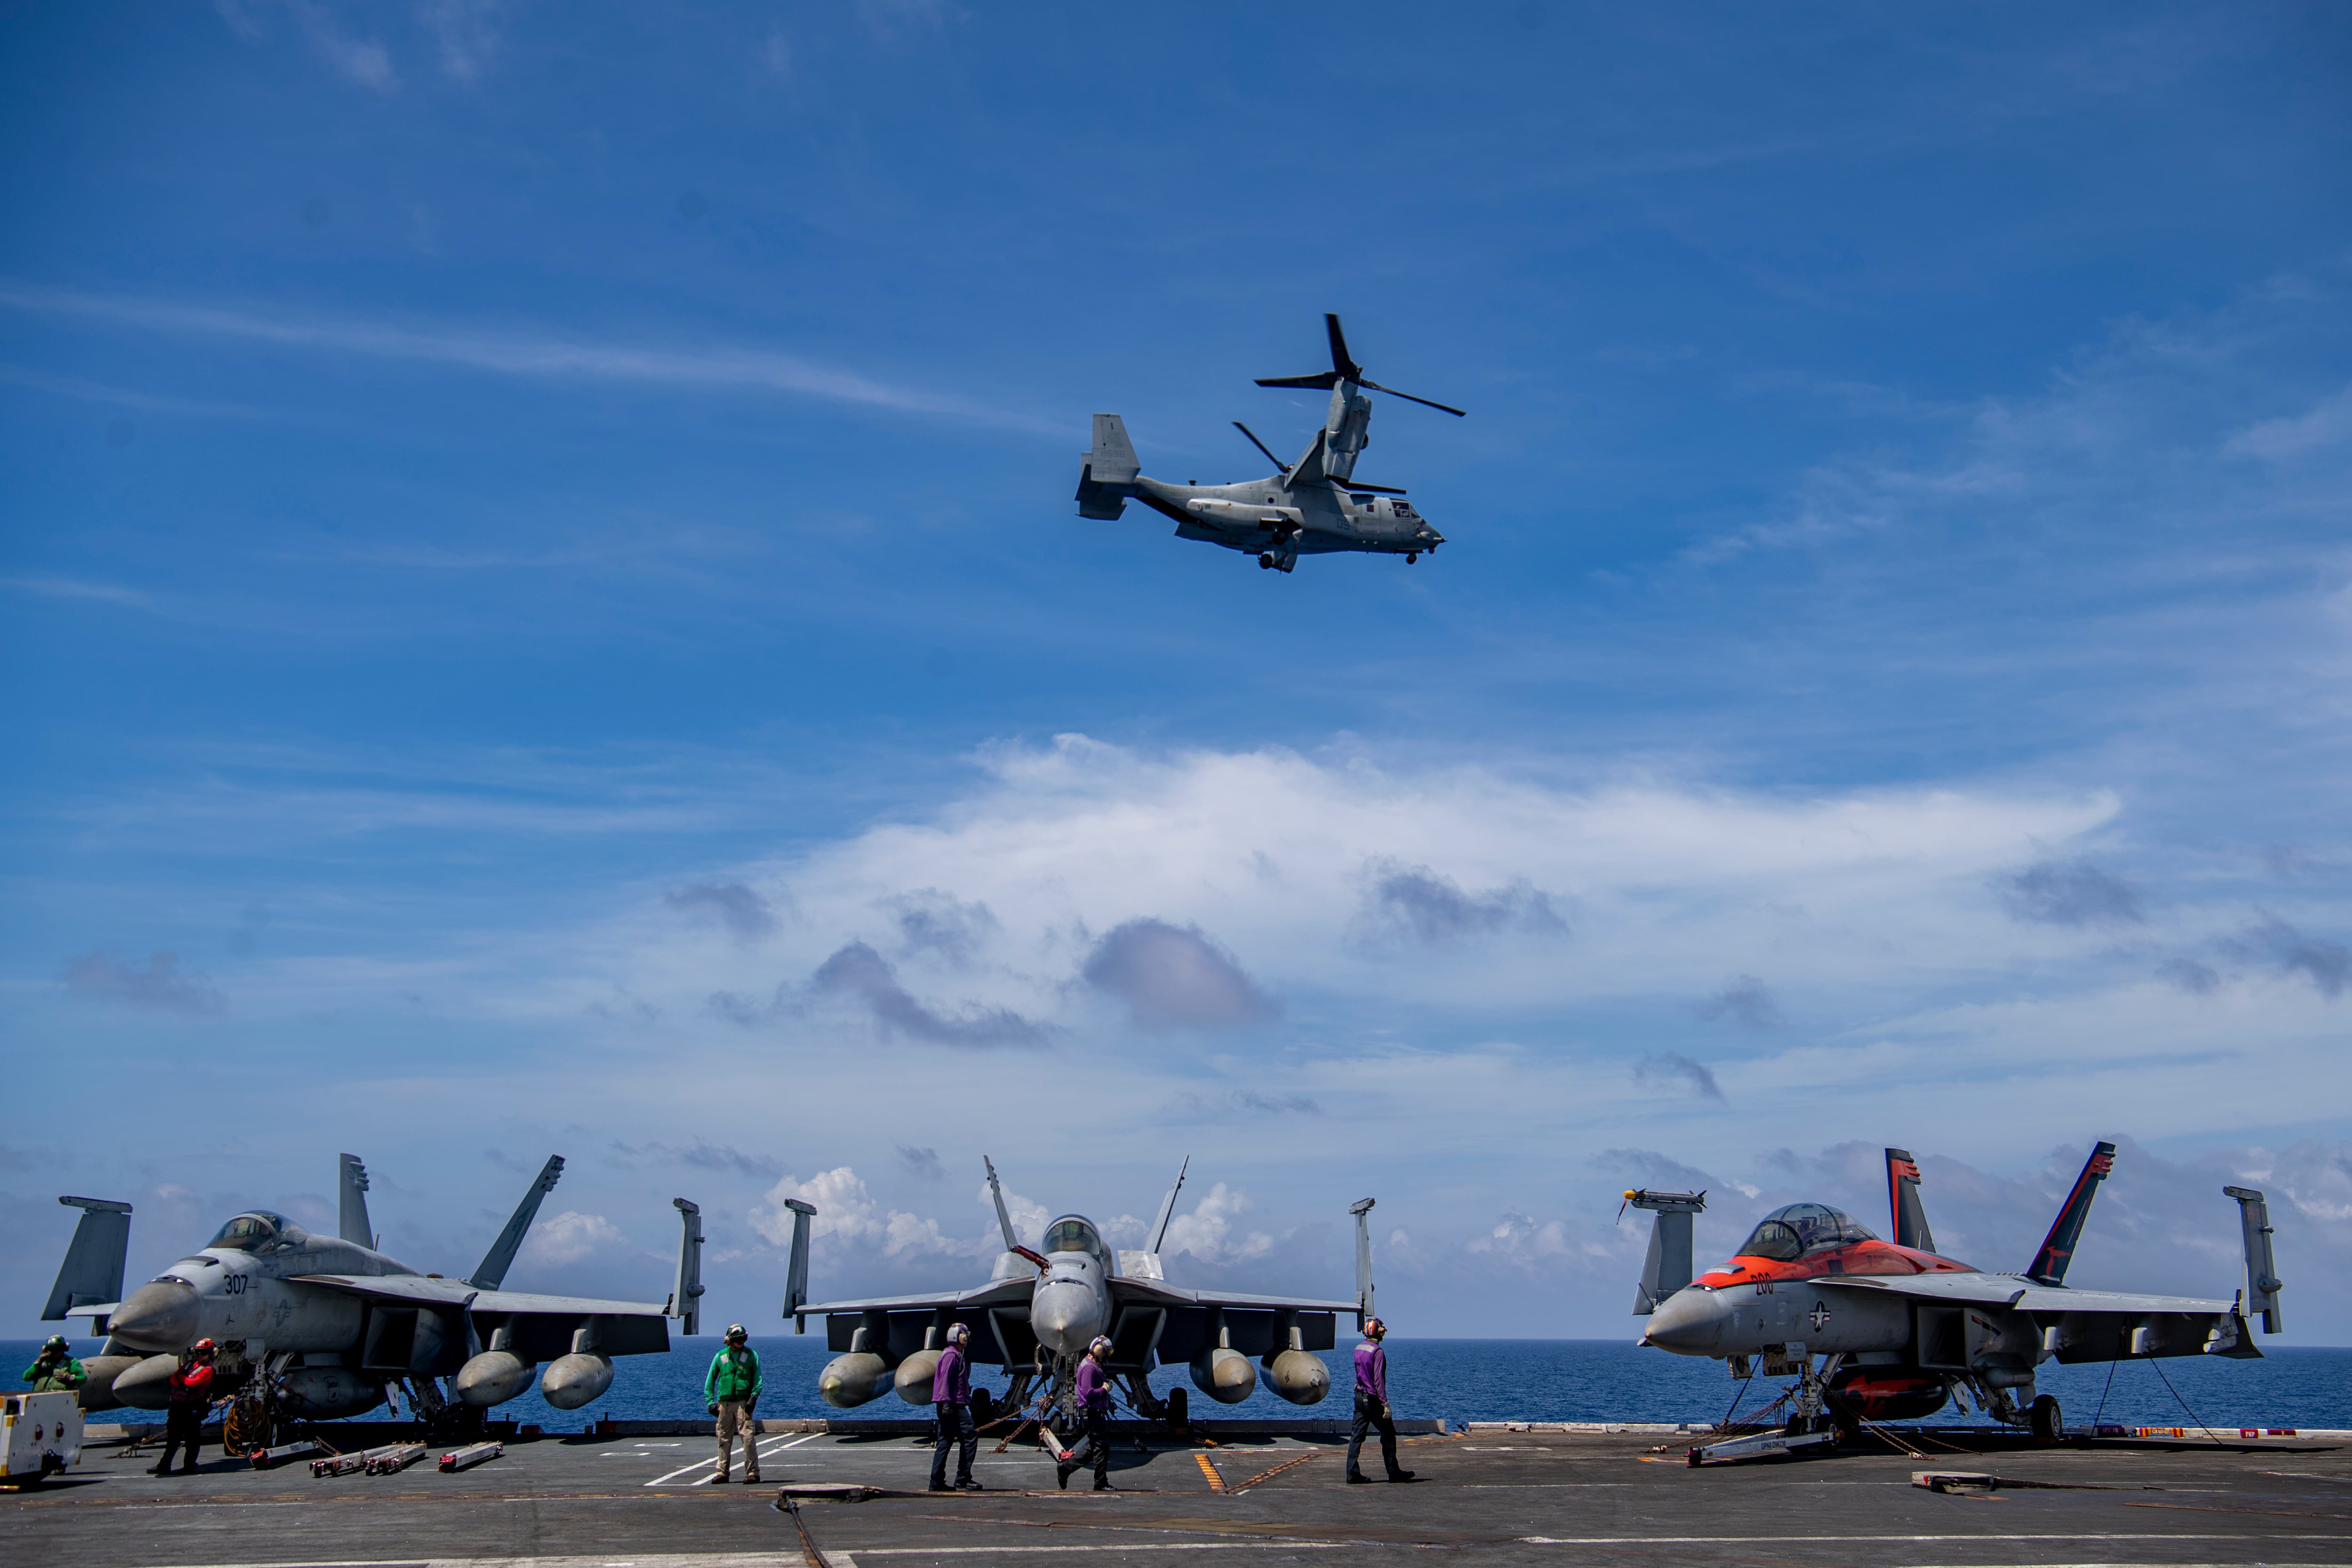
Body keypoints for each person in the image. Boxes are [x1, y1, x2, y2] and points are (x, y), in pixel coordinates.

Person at [1344, 1317, 1414, 1484]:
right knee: (1389, 1434)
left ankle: (1352, 1473)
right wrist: (1385, 1404)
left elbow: (1360, 1375)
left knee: (1356, 1437)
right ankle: (1394, 1472)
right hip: (1373, 1399)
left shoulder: (1359, 1348)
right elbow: (1378, 1382)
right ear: (1377, 1331)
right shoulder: (1378, 1352)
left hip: (1359, 1397)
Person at [1057, 1336, 1116, 1491]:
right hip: (1092, 1412)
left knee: (1094, 1447)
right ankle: (1100, 1483)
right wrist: (1105, 1389)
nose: (1105, 1356)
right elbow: (1089, 1393)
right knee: (1101, 1446)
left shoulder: (1090, 1364)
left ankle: (1066, 1469)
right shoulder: (1090, 1368)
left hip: (1092, 1412)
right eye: (1105, 1352)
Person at [705, 1324, 763, 1483]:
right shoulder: (721, 1357)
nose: (741, 1343)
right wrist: (711, 1402)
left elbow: (758, 1379)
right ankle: (722, 1472)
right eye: (738, 1340)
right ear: (730, 1341)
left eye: (744, 1339)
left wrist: (753, 1398)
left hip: (743, 1403)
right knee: (723, 1438)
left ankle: (753, 1472)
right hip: (724, 1404)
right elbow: (710, 1381)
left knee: (748, 1438)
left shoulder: (751, 1355)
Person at [927, 1322, 981, 1492]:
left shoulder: (954, 1355)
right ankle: (963, 1478)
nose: (966, 1337)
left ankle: (936, 1481)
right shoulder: (952, 1356)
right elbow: (945, 1381)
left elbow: (957, 1384)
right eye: (964, 1334)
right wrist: (946, 1404)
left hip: (951, 1403)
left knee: (945, 1440)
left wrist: (970, 1402)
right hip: (952, 1405)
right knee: (971, 1435)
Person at [152, 1338, 216, 1476]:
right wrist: (183, 1380)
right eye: (198, 1352)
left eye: (203, 1352)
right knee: (172, 1439)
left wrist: (183, 1380)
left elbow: (192, 1383)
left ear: (210, 1354)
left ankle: (189, 1466)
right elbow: (173, 1379)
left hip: (192, 1408)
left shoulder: (209, 1370)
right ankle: (164, 1465)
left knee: (192, 1439)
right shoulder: (189, 1365)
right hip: (177, 1406)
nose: (200, 1355)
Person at [22, 1335, 87, 1394]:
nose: (55, 1352)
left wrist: (68, 1377)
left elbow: (83, 1379)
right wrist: (38, 1363)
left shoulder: (71, 1362)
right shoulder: (41, 1363)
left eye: (58, 1349)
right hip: (39, 1398)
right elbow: (26, 1377)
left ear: (63, 1349)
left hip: (60, 1399)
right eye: (52, 1350)